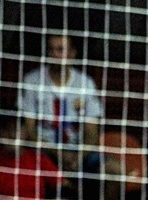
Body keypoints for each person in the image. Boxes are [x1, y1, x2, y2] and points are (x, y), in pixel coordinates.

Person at [18, 33, 103, 174]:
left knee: (114, 169)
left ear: (72, 53)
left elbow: (92, 133)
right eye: (51, 49)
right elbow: (29, 131)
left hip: (78, 153)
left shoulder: (86, 83)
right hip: (43, 152)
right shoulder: (32, 81)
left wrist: (78, 157)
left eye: (60, 50)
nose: (54, 55)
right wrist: (59, 154)